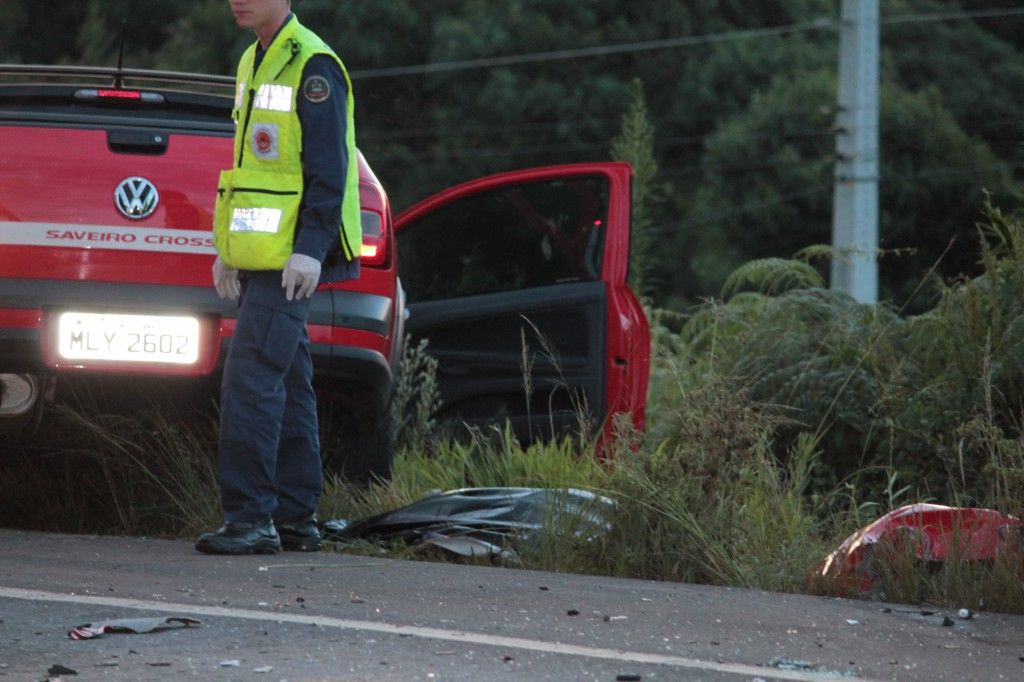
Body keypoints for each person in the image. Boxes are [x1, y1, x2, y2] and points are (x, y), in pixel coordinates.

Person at [196, 0, 361, 554]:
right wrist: (229, 251)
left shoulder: (313, 64)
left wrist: (311, 249)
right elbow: (251, 172)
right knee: (286, 380)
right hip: (265, 255)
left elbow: (328, 167)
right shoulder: (253, 61)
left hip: (293, 256)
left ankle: (250, 520)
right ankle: (293, 517)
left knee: (250, 377)